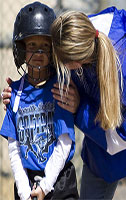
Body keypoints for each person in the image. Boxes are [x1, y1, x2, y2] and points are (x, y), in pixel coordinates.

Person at [2, 7, 126, 200]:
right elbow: (43, 77)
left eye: (61, 63)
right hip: (99, 137)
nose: (55, 65)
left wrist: (79, 110)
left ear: (77, 62)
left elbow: (120, 140)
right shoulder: (76, 36)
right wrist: (21, 96)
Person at [0, 2, 79, 200]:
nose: (38, 53)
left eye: (45, 46)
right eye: (32, 46)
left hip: (59, 181)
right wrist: (24, 191)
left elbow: (64, 143)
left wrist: (45, 186)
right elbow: (13, 147)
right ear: (21, 49)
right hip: (26, 182)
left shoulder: (59, 89)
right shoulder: (15, 93)